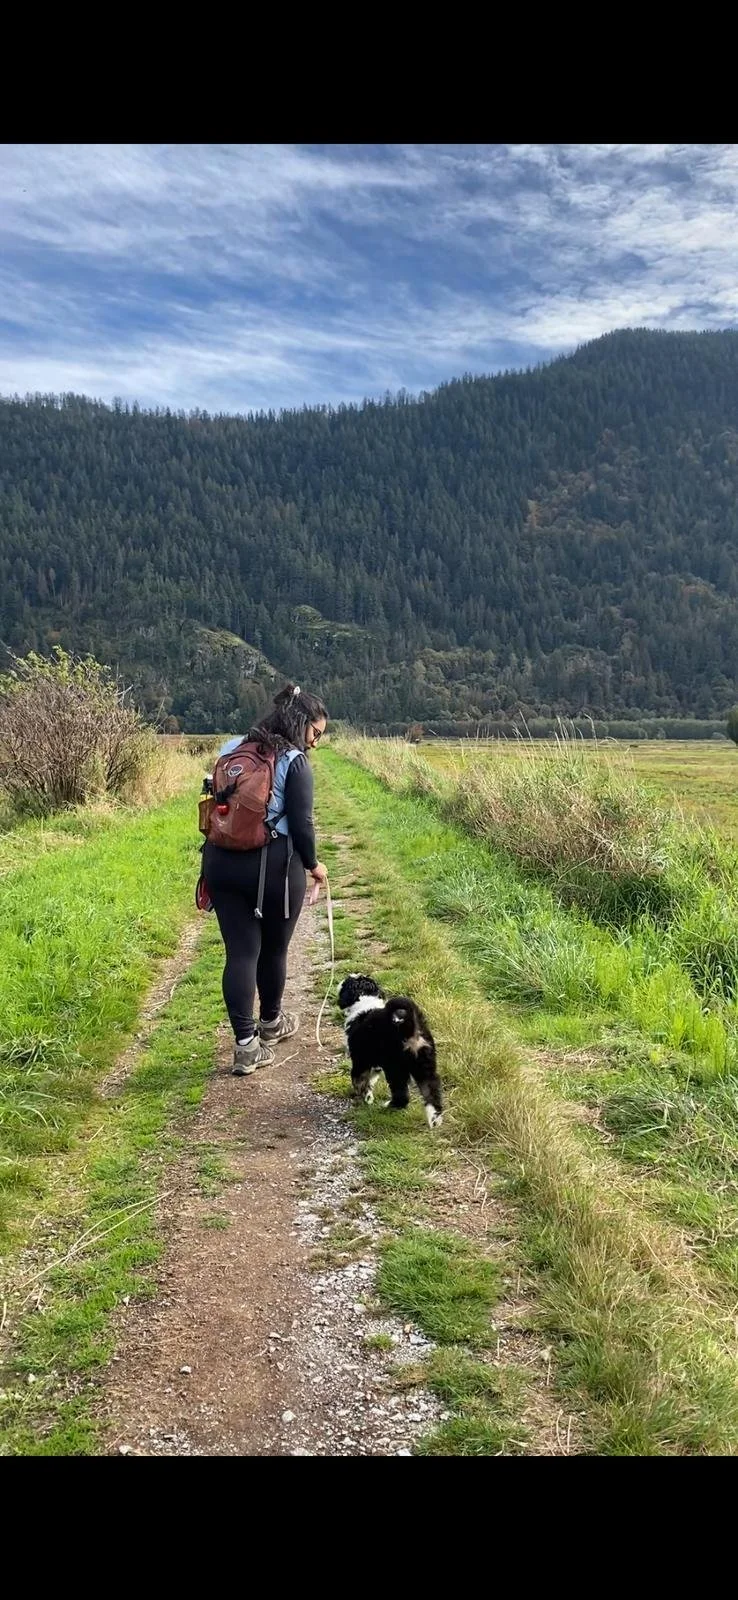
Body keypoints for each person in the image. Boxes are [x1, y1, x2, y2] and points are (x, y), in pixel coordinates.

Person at [202, 684, 328, 1076]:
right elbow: (303, 825)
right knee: (273, 949)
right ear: (302, 725)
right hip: (272, 865)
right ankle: (271, 1023)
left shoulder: (231, 748)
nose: (317, 742)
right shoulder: (294, 761)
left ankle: (246, 1046)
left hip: (220, 861)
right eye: (316, 734)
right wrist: (314, 866)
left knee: (240, 952)